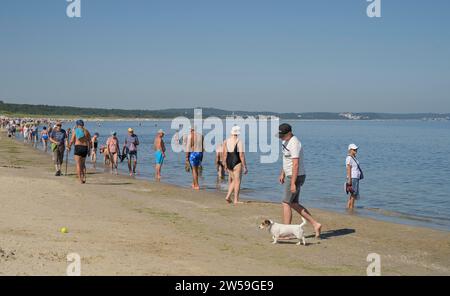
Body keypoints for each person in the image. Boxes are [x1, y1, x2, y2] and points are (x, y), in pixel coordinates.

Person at [278, 123, 322, 238]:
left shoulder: (294, 143)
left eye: (282, 135)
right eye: (280, 135)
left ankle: (286, 232)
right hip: (290, 175)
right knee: (293, 203)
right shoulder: (285, 141)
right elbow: (286, 159)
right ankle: (315, 224)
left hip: (295, 176)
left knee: (286, 202)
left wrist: (293, 182)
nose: (280, 137)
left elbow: (296, 164)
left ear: (289, 133)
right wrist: (282, 173)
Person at [223, 126, 248, 204]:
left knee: (233, 180)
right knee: (237, 181)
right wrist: (245, 166)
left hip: (229, 161)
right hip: (236, 161)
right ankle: (236, 200)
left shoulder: (226, 141)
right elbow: (241, 155)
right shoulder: (239, 141)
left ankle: (228, 196)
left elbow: (224, 154)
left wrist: (225, 164)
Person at [67, 120, 92, 184]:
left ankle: (80, 179)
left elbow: (72, 140)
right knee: (83, 164)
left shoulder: (75, 131)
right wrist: (89, 150)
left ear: (77, 125)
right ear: (83, 125)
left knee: (78, 164)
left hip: (78, 147)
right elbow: (90, 141)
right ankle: (84, 177)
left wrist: (69, 146)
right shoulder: (87, 131)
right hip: (85, 148)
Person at [346, 143, 364, 210]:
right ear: (350, 150)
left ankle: (348, 207)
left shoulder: (353, 157)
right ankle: (351, 208)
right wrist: (349, 179)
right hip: (353, 178)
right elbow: (348, 169)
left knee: (352, 194)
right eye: (354, 149)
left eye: (356, 149)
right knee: (354, 194)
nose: (356, 150)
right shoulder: (349, 158)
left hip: (355, 178)